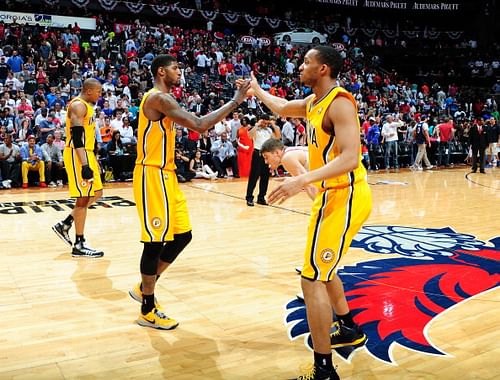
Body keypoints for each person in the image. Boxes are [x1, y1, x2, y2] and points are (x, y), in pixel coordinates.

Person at [244, 45, 372, 380]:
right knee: (321, 270)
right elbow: (284, 107)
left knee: (311, 278)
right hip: (330, 196)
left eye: (306, 62)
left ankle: (324, 371)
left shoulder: (340, 102)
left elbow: (350, 158)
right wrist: (257, 90)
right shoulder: (314, 102)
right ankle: (347, 327)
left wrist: (302, 179)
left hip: (346, 194)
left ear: (323, 69)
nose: (299, 66)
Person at [128, 54, 249, 330]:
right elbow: (198, 124)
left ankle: (144, 285)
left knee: (183, 236)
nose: (179, 71)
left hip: (167, 174)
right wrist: (235, 101)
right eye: (175, 67)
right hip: (152, 173)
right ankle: (147, 308)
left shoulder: (167, 100)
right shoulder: (158, 98)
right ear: (161, 71)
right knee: (154, 242)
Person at [52, 78, 104, 258]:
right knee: (83, 199)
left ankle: (65, 223)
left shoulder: (87, 107)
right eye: (99, 92)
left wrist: (93, 159)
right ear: (89, 91)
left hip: (87, 152)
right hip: (77, 154)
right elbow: (76, 137)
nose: (100, 95)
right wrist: (84, 164)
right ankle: (79, 244)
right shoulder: (78, 106)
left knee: (97, 193)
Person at [245, 114, 281, 206]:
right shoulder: (256, 129)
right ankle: (249, 197)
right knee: (254, 176)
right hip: (257, 154)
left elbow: (278, 136)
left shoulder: (269, 130)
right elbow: (249, 136)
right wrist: (257, 124)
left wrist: (273, 125)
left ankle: (261, 197)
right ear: (260, 120)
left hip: (267, 155)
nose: (265, 124)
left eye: (266, 122)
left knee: (265, 177)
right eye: (264, 122)